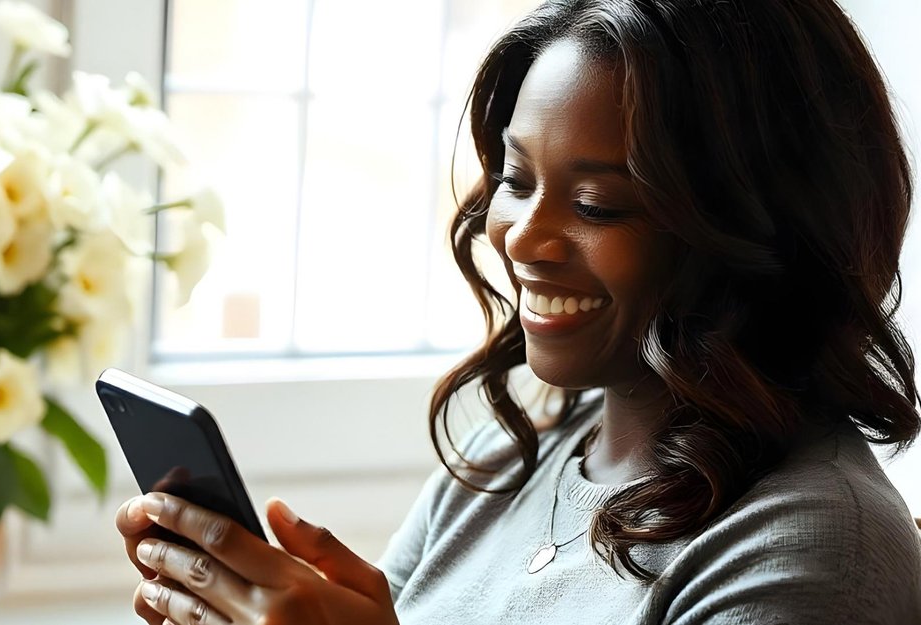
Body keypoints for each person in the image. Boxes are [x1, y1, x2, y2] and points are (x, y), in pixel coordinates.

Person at [113, 0, 921, 622]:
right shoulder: (505, 466)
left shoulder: (811, 549)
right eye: (516, 178)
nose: (523, 237)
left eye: (599, 204)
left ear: (758, 228)